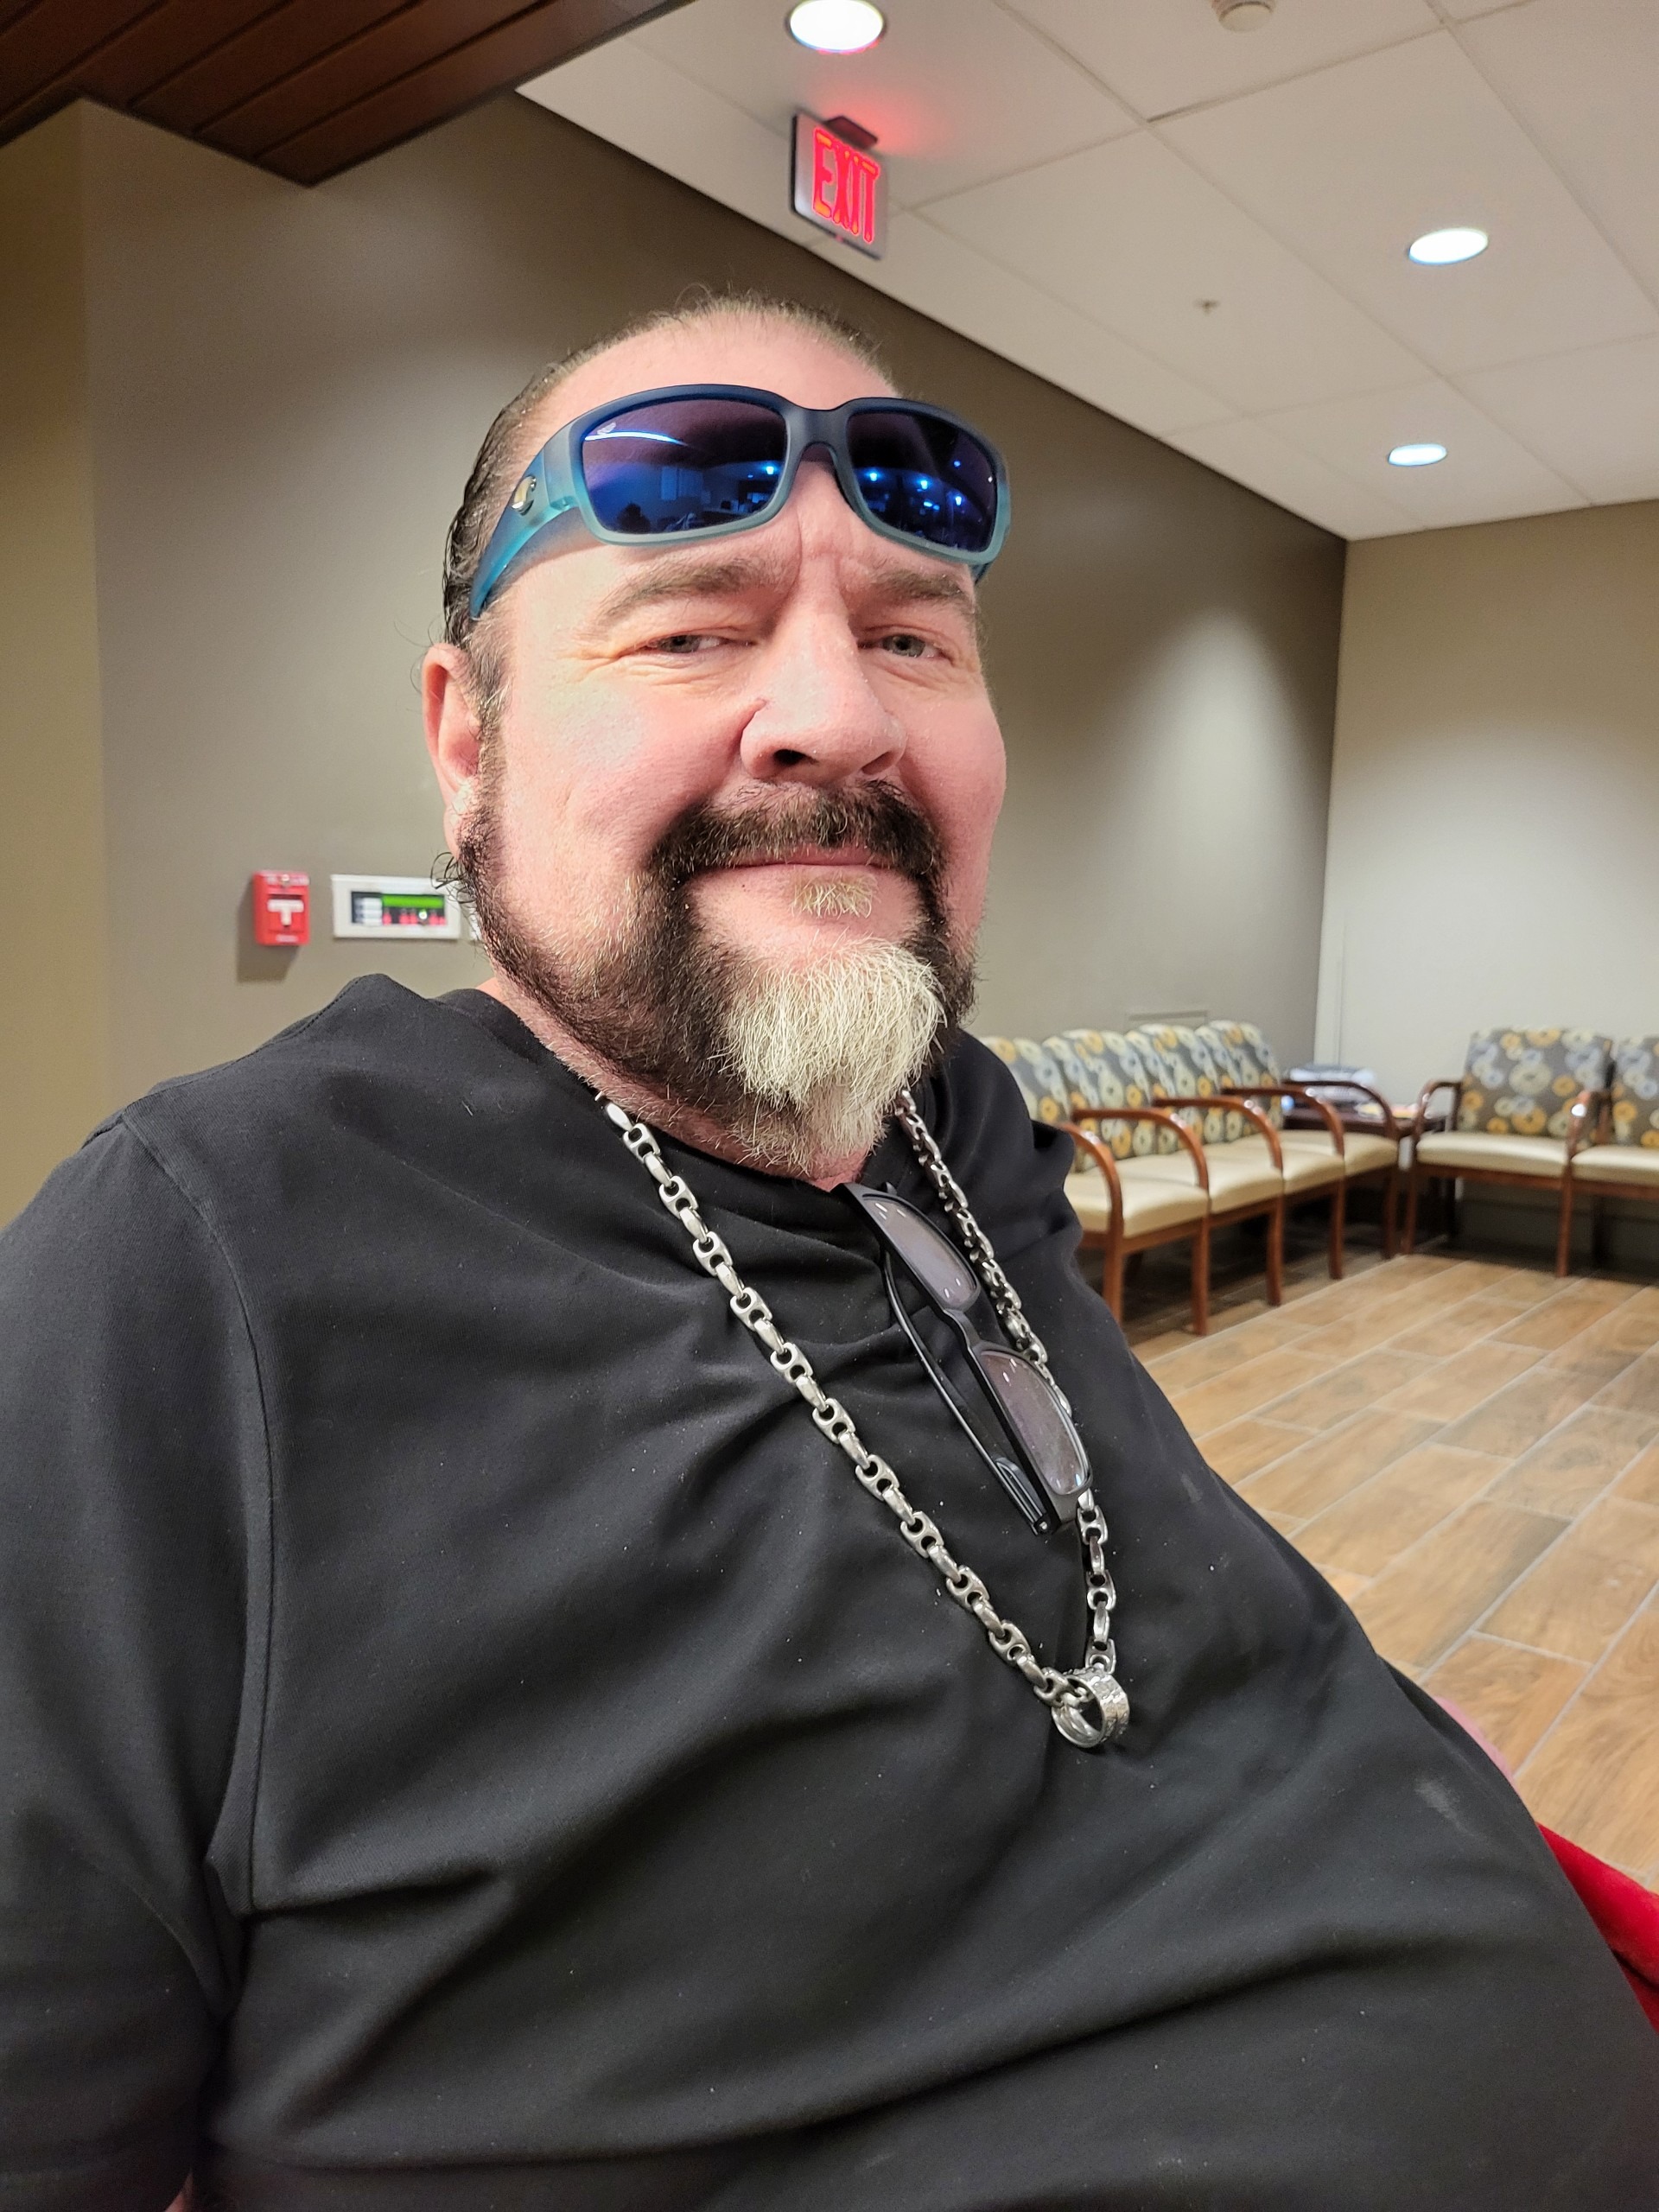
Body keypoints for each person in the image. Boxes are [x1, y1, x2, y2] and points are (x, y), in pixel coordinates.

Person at [0, 292, 1654, 2212]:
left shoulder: (962, 1127)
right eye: (691, 628)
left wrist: (1390, 1752)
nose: (841, 715)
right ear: (467, 740)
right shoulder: (198, 1258)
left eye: (910, 637)